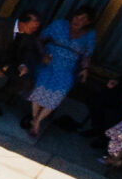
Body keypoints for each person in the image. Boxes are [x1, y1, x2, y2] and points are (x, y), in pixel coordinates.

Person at [26, 8, 95, 136]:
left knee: (58, 93)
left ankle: (36, 121)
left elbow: (87, 55)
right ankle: (35, 119)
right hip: (49, 61)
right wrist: (42, 55)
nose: (77, 21)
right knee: (41, 87)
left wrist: (85, 69)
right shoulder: (59, 24)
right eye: (76, 17)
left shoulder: (90, 34)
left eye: (82, 19)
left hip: (67, 68)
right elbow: (39, 39)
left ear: (88, 22)